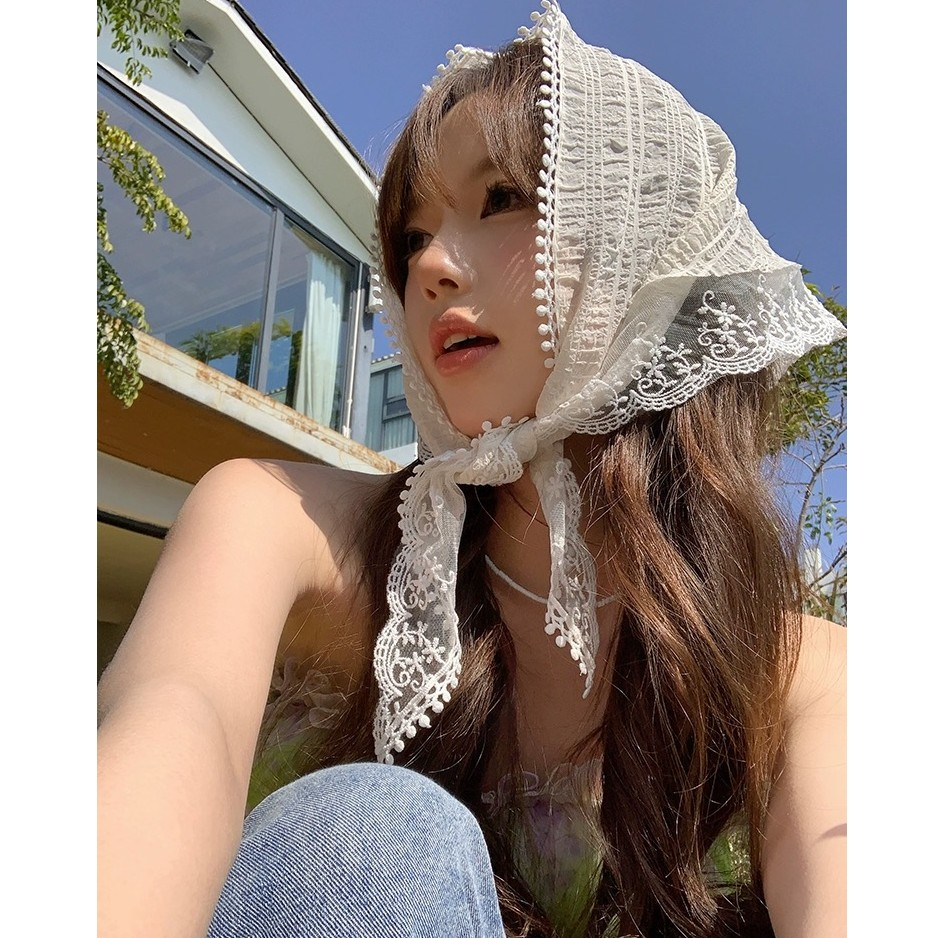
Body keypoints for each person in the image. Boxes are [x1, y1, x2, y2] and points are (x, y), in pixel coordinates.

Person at [97, 3, 846, 936]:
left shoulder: (800, 671)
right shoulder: (276, 523)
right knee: (372, 835)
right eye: (410, 238)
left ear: (638, 240)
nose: (432, 270)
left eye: (500, 199)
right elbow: (172, 726)